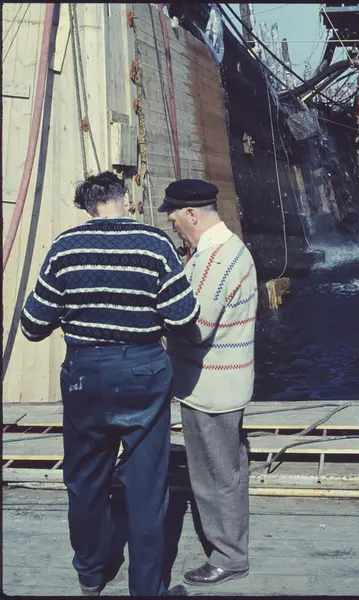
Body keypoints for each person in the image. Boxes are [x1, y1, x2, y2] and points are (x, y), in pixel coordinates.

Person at [20, 171, 199, 597]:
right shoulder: (154, 243)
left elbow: (32, 325)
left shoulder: (64, 248)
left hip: (85, 374)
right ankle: (148, 589)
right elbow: (182, 316)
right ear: (126, 197)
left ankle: (91, 573)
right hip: (143, 370)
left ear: (87, 207)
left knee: (85, 479)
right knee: (147, 486)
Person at [158, 179, 258, 586]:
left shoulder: (217, 260)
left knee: (215, 477)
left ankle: (229, 558)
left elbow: (196, 327)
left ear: (192, 214)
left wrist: (157, 323)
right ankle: (231, 550)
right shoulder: (226, 250)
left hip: (212, 389)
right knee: (227, 471)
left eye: (175, 219)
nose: (175, 226)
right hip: (224, 383)